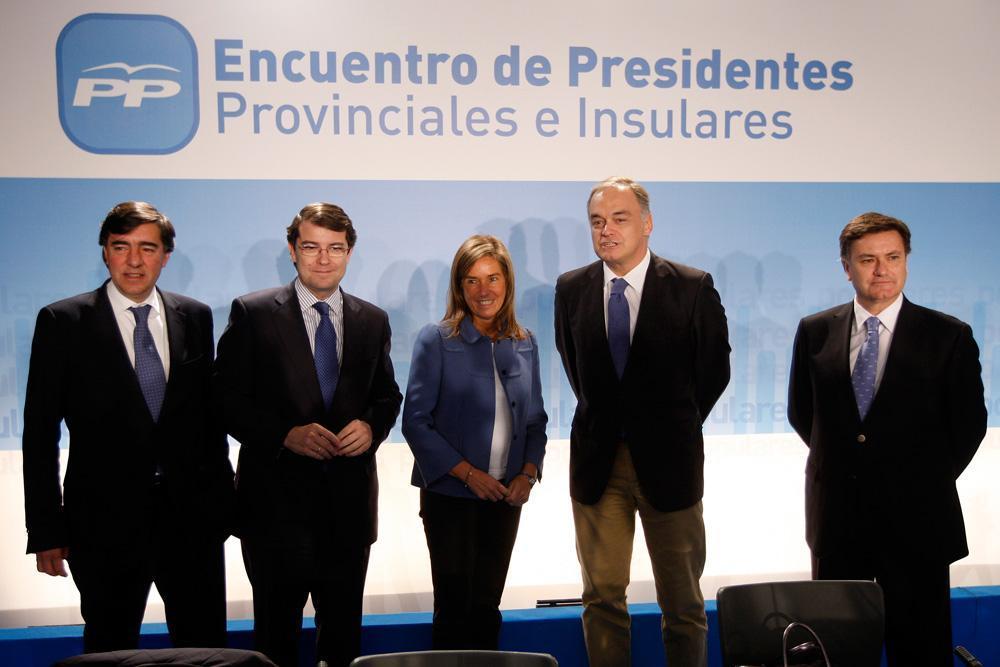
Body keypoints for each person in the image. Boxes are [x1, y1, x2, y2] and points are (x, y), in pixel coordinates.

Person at [21, 201, 232, 652]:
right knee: (110, 647)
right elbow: (39, 434)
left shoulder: (195, 316)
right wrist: (46, 529)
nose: (134, 261)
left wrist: (224, 506)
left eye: (147, 248)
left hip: (191, 521)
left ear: (165, 256)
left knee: (205, 647)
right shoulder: (63, 321)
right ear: (105, 252)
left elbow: (208, 420)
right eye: (121, 247)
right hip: (103, 524)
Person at [787, 212, 986, 666]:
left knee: (920, 651)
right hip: (838, 519)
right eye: (868, 260)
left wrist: (915, 478)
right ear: (847, 267)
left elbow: (968, 426)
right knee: (838, 651)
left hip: (918, 521)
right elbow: (804, 414)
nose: (882, 270)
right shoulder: (814, 331)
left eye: (893, 257)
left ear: (906, 261)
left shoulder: (949, 336)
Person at [214, 202, 401, 667]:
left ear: (349, 253)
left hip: (348, 510)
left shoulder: (372, 319)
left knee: (342, 641)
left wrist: (372, 426)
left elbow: (387, 395)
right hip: (275, 512)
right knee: (275, 642)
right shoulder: (254, 313)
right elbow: (224, 400)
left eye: (335, 248)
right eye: (312, 246)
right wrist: (284, 435)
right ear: (293, 250)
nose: (323, 258)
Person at [554, 177, 730, 667]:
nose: (606, 230)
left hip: (670, 466)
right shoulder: (571, 288)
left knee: (683, 603)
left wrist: (671, 426)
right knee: (602, 598)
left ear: (647, 223)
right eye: (597, 221)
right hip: (598, 465)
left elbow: (714, 372)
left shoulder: (692, 287)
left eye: (620, 218)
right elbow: (576, 367)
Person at [402, 235, 548, 650]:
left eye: (493, 278)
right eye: (472, 280)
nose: (484, 290)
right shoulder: (437, 339)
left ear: (508, 282)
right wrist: (469, 475)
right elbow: (415, 422)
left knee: (487, 609)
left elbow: (536, 420)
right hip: (450, 497)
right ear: (459, 287)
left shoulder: (525, 341)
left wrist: (528, 474)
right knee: (453, 611)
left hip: (505, 498)